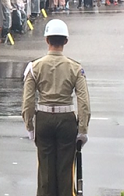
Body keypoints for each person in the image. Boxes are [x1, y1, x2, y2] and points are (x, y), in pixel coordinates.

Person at [22, 19, 90, 196]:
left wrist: (30, 126)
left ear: (46, 40)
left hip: (43, 118)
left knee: (45, 173)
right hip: (66, 119)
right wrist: (82, 129)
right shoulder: (75, 68)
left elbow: (28, 101)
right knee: (66, 172)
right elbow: (83, 102)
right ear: (65, 41)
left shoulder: (34, 67)